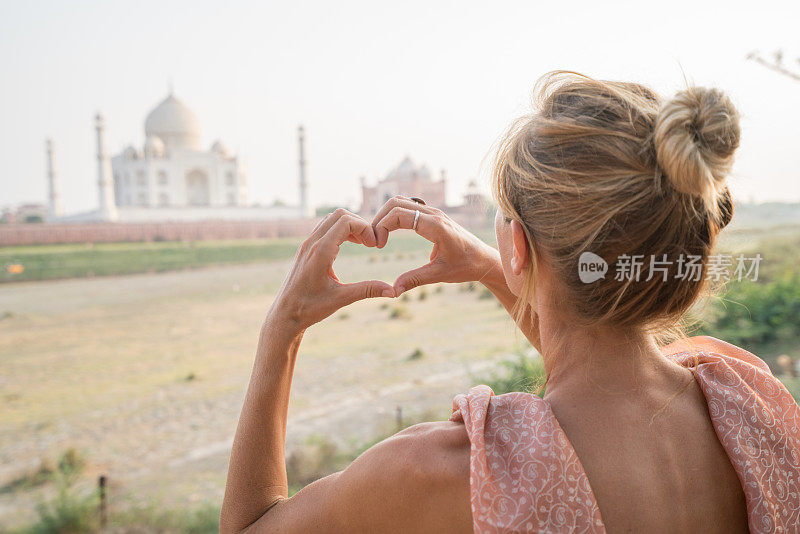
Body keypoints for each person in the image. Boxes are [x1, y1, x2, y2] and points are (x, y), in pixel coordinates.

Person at [220, 71, 800, 533]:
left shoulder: (455, 475)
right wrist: (498, 269)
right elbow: (602, 365)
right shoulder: (753, 406)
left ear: (518, 244)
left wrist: (283, 330)